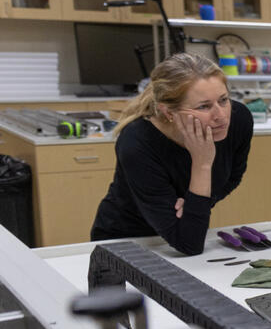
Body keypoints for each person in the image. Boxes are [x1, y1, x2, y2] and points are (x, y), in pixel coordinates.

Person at [91, 52, 252, 256]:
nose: (220, 115)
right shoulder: (136, 143)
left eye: (223, 100)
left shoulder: (238, 120)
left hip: (183, 234)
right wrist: (202, 164)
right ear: (168, 112)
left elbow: (232, 177)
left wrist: (197, 203)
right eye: (203, 106)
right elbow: (190, 244)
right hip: (127, 241)